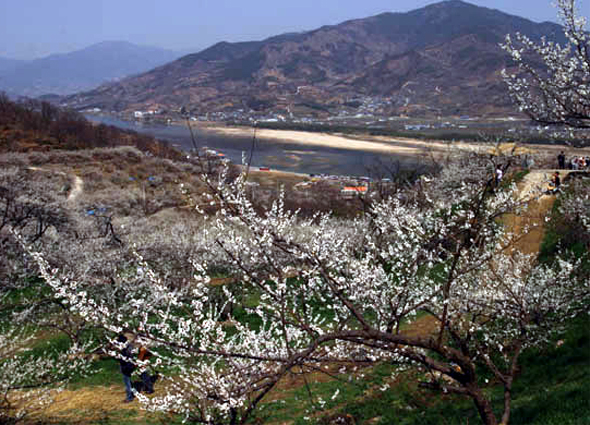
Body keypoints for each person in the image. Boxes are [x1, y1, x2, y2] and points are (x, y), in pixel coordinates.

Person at [117, 334, 136, 403]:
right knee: (128, 380)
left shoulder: (124, 348)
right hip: (130, 365)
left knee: (127, 382)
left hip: (126, 366)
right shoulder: (130, 346)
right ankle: (133, 393)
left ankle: (129, 397)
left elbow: (123, 358)